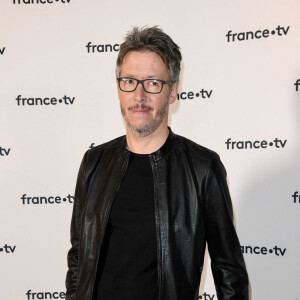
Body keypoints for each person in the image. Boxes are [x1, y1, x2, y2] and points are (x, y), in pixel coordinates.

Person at [65, 26, 249, 300]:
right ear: (119, 88)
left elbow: (229, 272)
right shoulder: (94, 162)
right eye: (129, 81)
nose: (139, 96)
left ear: (173, 92)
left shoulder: (202, 169)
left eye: (152, 83)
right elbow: (79, 256)